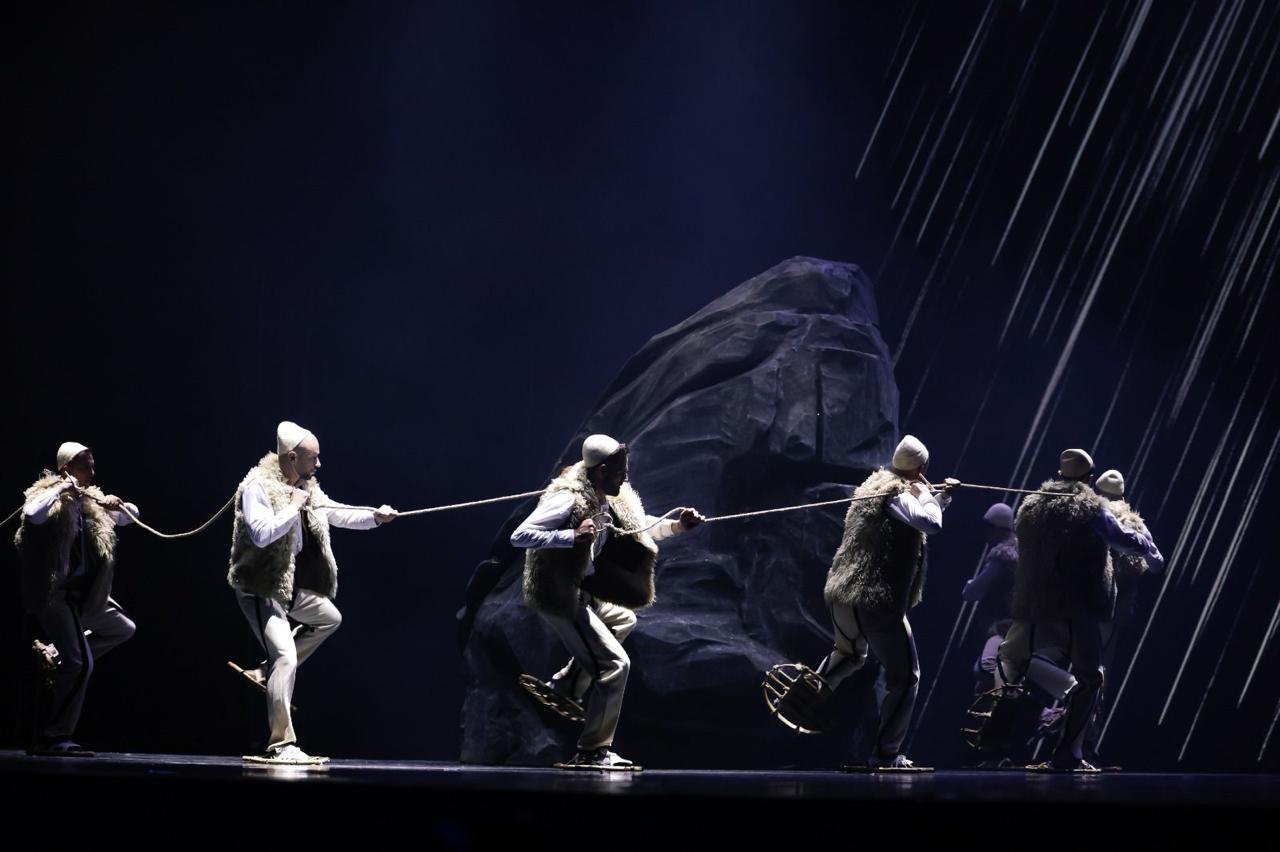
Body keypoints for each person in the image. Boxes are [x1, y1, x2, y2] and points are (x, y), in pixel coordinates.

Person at [512, 434, 704, 770]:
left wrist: (676, 527)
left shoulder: (611, 497)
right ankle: (592, 751)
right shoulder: (569, 499)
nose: (625, 478)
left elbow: (636, 529)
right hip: (561, 594)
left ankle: (568, 684)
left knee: (625, 619)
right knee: (616, 665)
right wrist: (571, 536)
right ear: (601, 471)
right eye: (620, 472)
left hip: (584, 591)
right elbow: (520, 536)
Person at [227, 421, 396, 765]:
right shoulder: (257, 487)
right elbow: (261, 534)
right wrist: (293, 507)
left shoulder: (307, 488)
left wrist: (376, 516)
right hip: (261, 587)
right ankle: (280, 745)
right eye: (313, 458)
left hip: (288, 587)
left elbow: (337, 512)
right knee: (286, 657)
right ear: (292, 457)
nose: (319, 464)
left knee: (329, 618)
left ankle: (264, 672)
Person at [995, 449, 1163, 772]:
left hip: (1035, 604)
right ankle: (1069, 751)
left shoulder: (1031, 506)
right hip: (1076, 606)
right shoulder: (1092, 509)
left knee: (1010, 656)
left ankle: (1020, 721)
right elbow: (1121, 540)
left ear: (1059, 474)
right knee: (1090, 678)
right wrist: (1144, 541)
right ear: (1088, 479)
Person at [816, 434, 957, 770]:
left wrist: (941, 497)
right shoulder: (896, 493)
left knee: (849, 655)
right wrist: (927, 495)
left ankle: (803, 696)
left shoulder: (872, 486)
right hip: (875, 600)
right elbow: (929, 522)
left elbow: (913, 514)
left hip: (843, 596)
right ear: (921, 469)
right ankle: (885, 755)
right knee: (905, 679)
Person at [15, 442, 139, 756]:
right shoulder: (49, 497)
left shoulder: (89, 502)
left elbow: (132, 516)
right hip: (54, 595)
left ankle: (56, 655)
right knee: (82, 665)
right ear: (67, 468)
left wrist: (116, 504)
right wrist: (61, 488)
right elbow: (31, 514)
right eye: (86, 466)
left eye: (93, 466)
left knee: (123, 628)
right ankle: (54, 737)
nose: (92, 472)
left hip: (85, 597)